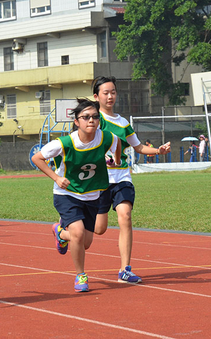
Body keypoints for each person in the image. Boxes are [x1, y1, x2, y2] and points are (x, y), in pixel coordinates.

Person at [59, 77, 171, 285]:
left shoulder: (123, 123)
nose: (110, 96)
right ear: (96, 96)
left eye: (113, 92)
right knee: (91, 237)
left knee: (125, 216)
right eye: (105, 93)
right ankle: (62, 233)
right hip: (98, 183)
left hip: (121, 178)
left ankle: (125, 270)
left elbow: (138, 147)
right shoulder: (90, 119)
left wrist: (158, 150)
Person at [32, 98, 121, 292]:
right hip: (67, 194)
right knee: (78, 234)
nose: (91, 120)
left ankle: (59, 232)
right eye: (86, 117)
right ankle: (81, 275)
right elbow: (36, 157)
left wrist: (116, 159)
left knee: (85, 243)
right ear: (76, 121)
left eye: (95, 117)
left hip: (92, 195)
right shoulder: (65, 142)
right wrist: (56, 177)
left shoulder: (106, 137)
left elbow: (117, 143)